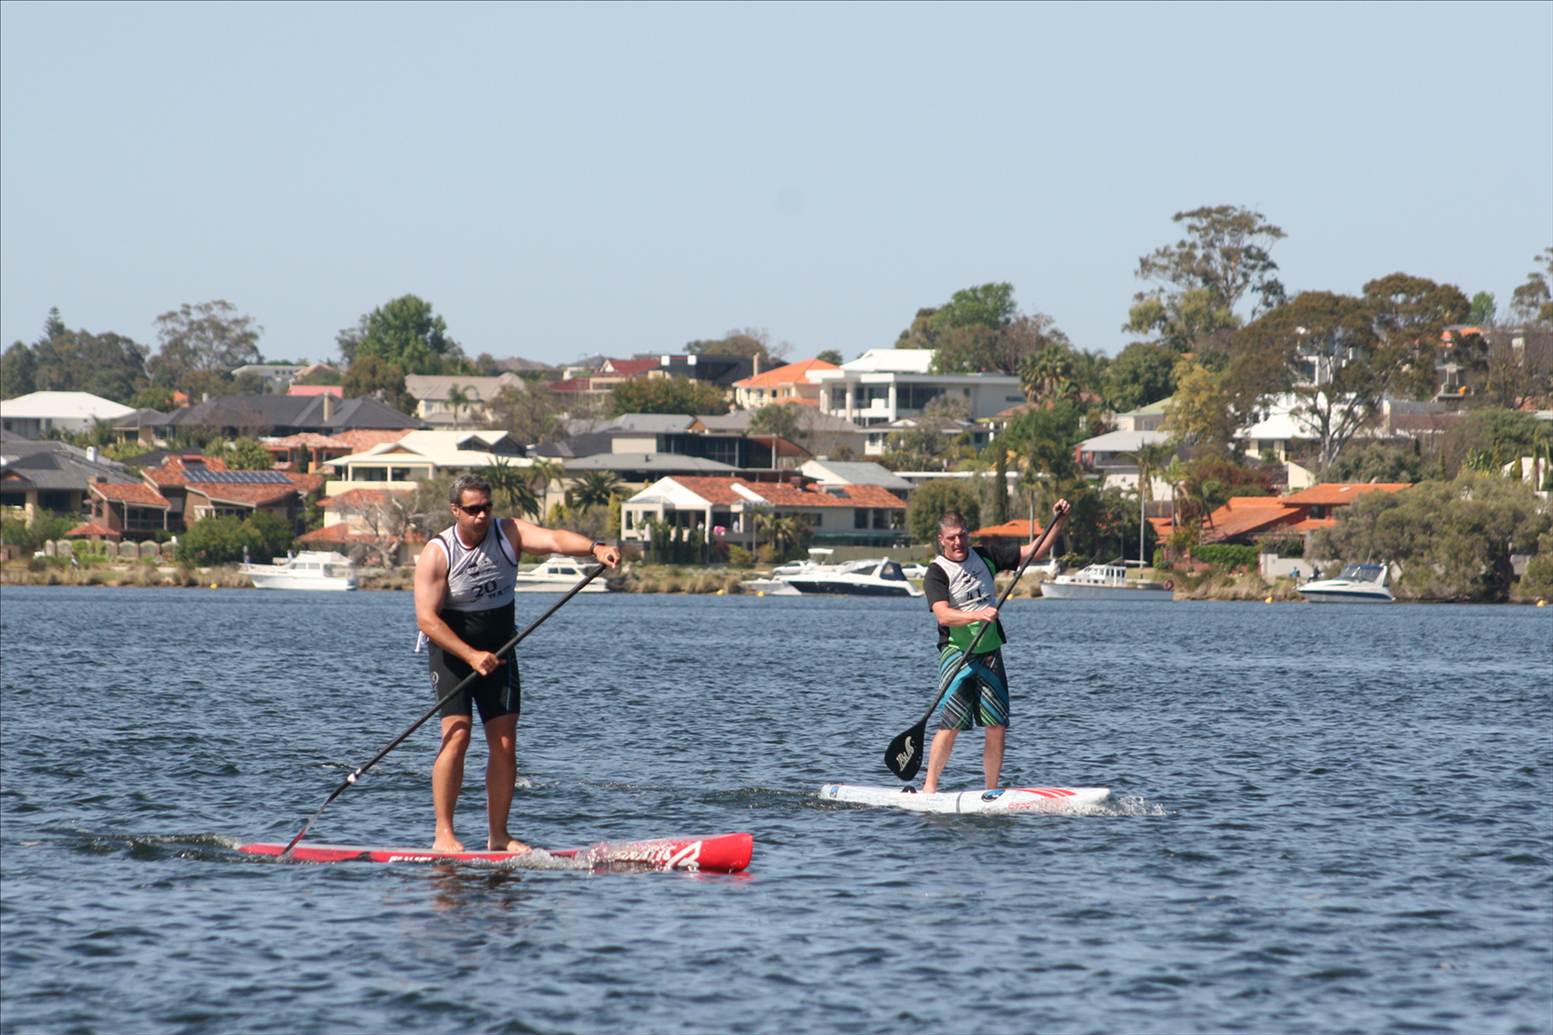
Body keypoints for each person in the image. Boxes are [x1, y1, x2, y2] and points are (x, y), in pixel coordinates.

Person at [413, 474, 621, 853]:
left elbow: (555, 539)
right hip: (452, 653)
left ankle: (499, 835)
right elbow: (427, 620)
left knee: (505, 742)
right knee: (457, 735)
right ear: (455, 510)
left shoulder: (508, 533)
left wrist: (595, 548)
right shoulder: (438, 552)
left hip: (500, 649)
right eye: (472, 509)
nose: (481, 516)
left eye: (486, 507)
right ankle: (444, 833)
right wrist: (471, 655)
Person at [918, 501, 1069, 795]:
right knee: (951, 725)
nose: (958, 542)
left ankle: (991, 791)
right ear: (941, 540)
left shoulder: (985, 556)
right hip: (957, 655)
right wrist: (978, 614)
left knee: (997, 725)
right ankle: (929, 789)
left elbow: (1034, 551)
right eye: (951, 538)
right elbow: (943, 616)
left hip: (989, 653)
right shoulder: (937, 572)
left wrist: (1059, 520)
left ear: (968, 534)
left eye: (962, 535)